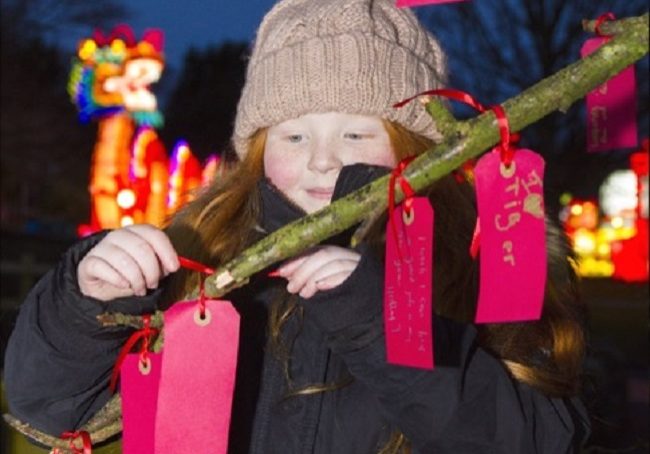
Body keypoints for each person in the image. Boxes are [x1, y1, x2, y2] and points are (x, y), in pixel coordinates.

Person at [4, 0, 591, 452]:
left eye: (358, 134)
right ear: (257, 148)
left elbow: (537, 436)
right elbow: (52, 410)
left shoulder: (480, 263)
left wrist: (381, 321)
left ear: (418, 143)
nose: (321, 160)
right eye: (293, 135)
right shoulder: (201, 252)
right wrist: (86, 308)